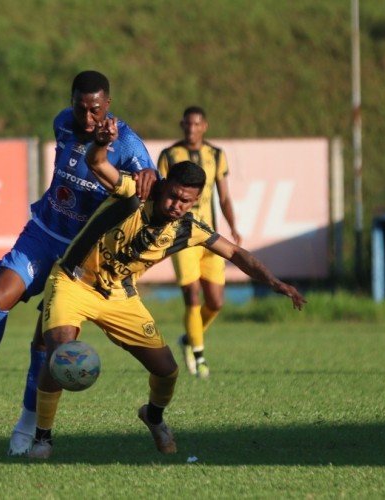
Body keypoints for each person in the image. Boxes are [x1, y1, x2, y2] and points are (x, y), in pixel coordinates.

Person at [27, 118, 305, 459]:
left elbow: (235, 252)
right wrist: (100, 143)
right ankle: (42, 437)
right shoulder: (135, 191)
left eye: (187, 201)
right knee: (60, 353)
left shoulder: (188, 228)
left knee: (167, 369)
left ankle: (153, 417)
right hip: (73, 279)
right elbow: (97, 163)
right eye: (174, 195)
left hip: (117, 295)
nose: (177, 205)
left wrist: (274, 281)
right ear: (165, 185)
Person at [0, 71, 159, 456]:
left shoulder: (129, 144)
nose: (87, 118)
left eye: (96, 110)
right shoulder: (61, 123)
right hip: (42, 231)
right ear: (70, 103)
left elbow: (149, 181)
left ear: (109, 106)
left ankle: (26, 426)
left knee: (45, 341)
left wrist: (150, 173)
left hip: (81, 254)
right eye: (81, 108)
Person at [157, 106, 241, 378]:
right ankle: (199, 356)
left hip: (210, 236)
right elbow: (159, 193)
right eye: (187, 124)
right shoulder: (170, 155)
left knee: (215, 302)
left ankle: (189, 339)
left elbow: (225, 196)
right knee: (192, 296)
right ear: (182, 125)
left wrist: (233, 227)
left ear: (204, 126)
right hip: (181, 237)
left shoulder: (216, 155)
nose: (191, 129)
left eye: (196, 125)